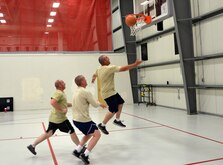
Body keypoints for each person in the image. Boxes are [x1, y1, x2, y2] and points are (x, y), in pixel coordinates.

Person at [27, 80, 81, 155]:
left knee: (48, 134)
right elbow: (52, 102)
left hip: (53, 118)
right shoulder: (58, 93)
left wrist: (72, 104)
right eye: (63, 83)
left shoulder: (61, 93)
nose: (65, 83)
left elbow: (63, 104)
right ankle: (80, 147)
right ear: (59, 85)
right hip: (60, 119)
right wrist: (62, 110)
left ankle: (32, 146)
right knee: (71, 131)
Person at [92, 55, 143, 135]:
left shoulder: (99, 68)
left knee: (120, 102)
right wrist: (135, 64)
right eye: (107, 58)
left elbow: (95, 74)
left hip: (112, 92)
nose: (109, 59)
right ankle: (102, 125)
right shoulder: (109, 68)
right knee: (113, 110)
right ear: (104, 61)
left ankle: (117, 120)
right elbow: (124, 69)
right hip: (108, 93)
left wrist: (93, 79)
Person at [72, 75, 106, 164]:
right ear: (82, 82)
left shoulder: (76, 91)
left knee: (89, 134)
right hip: (84, 120)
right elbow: (95, 104)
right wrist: (100, 103)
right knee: (97, 134)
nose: (86, 80)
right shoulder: (86, 92)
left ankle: (77, 150)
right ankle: (85, 154)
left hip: (76, 120)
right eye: (85, 79)